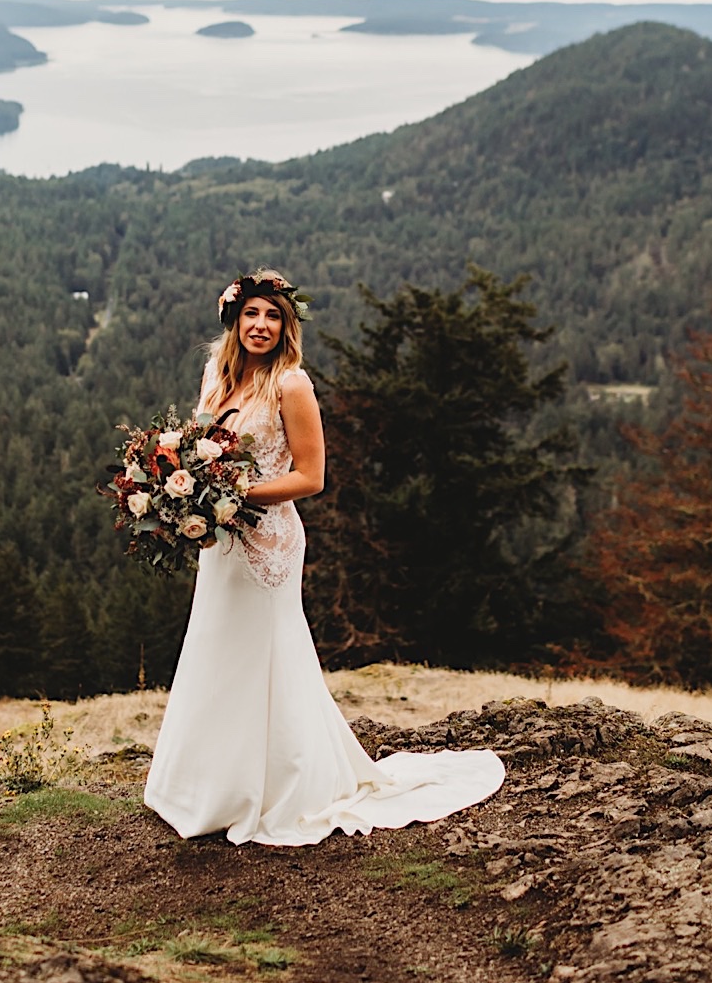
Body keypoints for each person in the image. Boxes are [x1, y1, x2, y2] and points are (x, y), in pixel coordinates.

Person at [143, 269, 505, 847]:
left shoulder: (291, 385)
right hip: (220, 538)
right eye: (252, 314)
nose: (261, 326)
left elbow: (311, 478)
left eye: (273, 316)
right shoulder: (216, 374)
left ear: (287, 327)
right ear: (234, 321)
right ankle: (203, 787)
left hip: (268, 543)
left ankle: (281, 788)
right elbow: (198, 444)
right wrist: (180, 484)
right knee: (215, 647)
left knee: (266, 657)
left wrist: (231, 494)